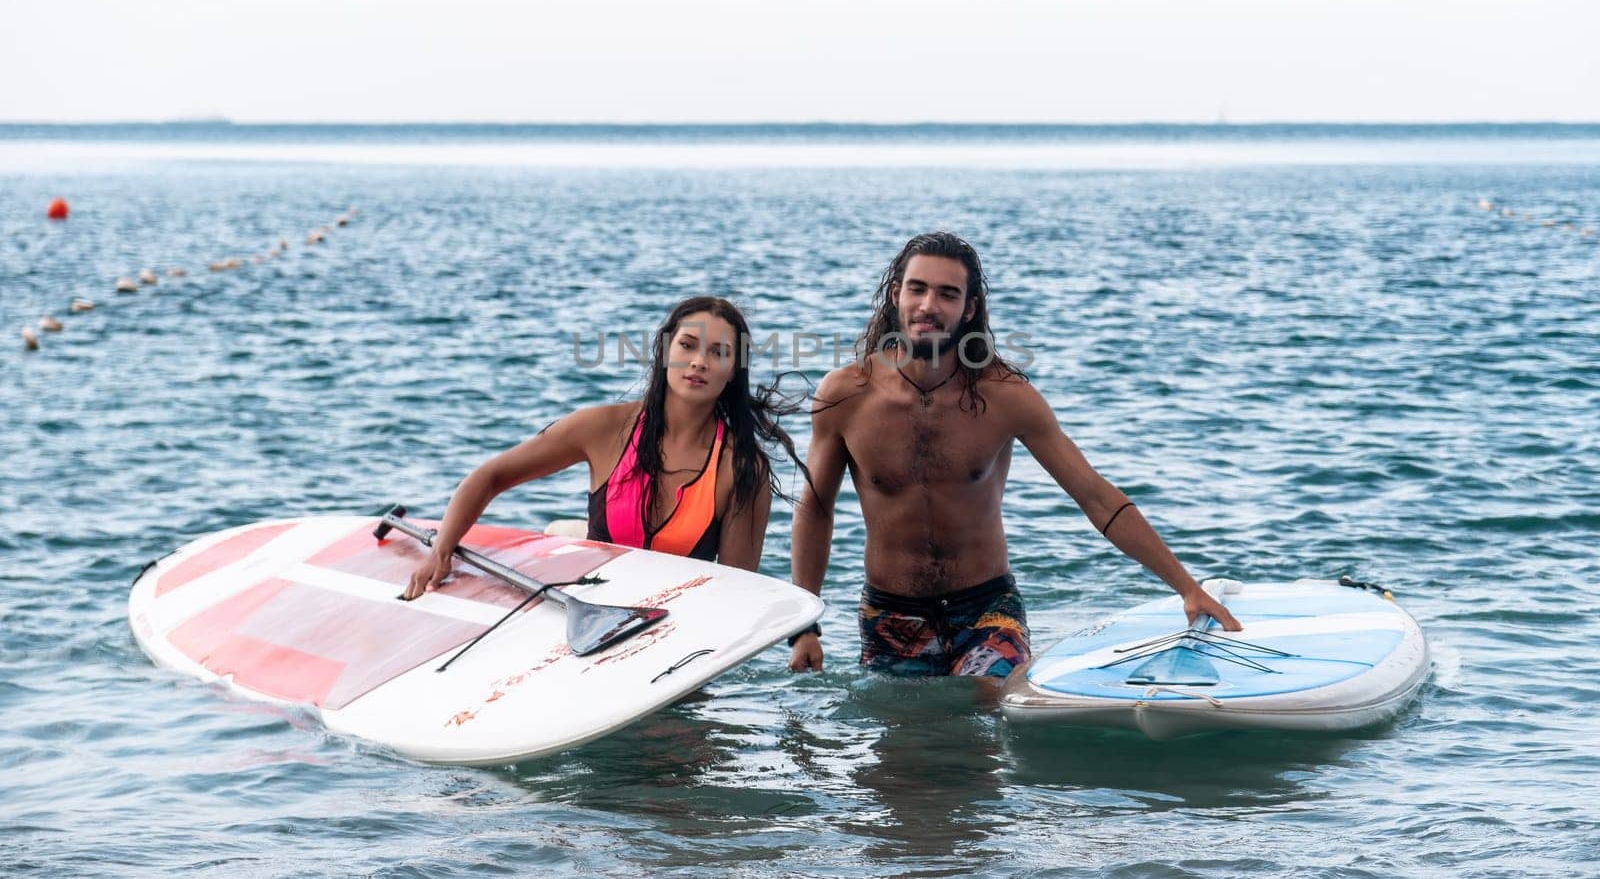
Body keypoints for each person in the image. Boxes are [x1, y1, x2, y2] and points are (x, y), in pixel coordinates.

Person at [787, 232, 1241, 682]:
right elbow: (815, 509)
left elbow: (1095, 496)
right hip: (891, 613)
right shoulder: (846, 394)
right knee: (904, 749)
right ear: (895, 295)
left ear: (969, 308)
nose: (929, 306)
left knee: (988, 701)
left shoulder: (1005, 396)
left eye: (947, 294)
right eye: (917, 288)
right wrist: (804, 626)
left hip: (986, 607)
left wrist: (1186, 587)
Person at [403, 296, 804, 599]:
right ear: (665, 351)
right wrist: (441, 551)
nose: (698, 361)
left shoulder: (740, 467)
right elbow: (489, 477)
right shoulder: (605, 429)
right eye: (688, 345)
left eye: (718, 353)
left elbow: (734, 591)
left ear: (734, 371)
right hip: (588, 608)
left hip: (677, 632)